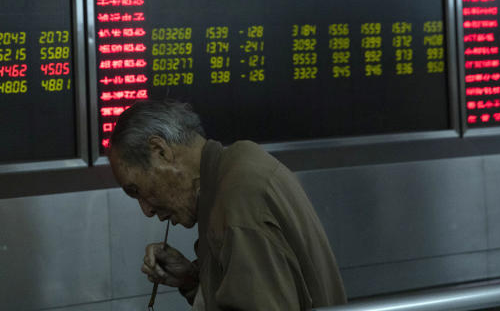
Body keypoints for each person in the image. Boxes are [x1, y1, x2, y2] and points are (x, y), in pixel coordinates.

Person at [108, 100, 347, 310]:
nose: (147, 210)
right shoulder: (238, 167)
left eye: (136, 190)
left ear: (160, 151)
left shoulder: (239, 201)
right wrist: (192, 281)